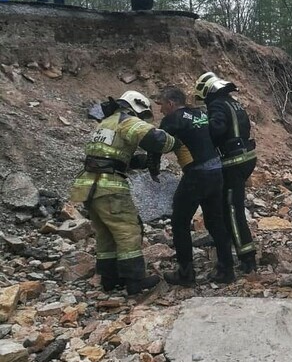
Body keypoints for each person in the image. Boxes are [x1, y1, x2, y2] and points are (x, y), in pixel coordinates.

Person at [70, 91, 177, 295]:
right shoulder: (126, 121)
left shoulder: (105, 123)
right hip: (109, 187)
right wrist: (175, 140)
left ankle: (110, 281)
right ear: (136, 108)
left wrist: (141, 161)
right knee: (128, 230)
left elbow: (110, 156)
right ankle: (135, 281)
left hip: (88, 186)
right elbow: (156, 139)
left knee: (106, 234)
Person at [156, 85, 235, 285]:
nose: (160, 110)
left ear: (171, 103)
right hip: (216, 172)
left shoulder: (172, 119)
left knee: (180, 221)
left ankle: (185, 273)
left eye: (162, 105)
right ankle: (227, 269)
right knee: (215, 222)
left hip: (197, 174)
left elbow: (156, 143)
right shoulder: (199, 113)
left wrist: (151, 166)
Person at [194, 72, 258, 273]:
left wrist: (200, 128)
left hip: (233, 162)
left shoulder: (217, 105)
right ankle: (229, 245)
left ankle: (247, 257)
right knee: (228, 206)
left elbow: (217, 129)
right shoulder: (233, 103)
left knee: (232, 210)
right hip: (245, 157)